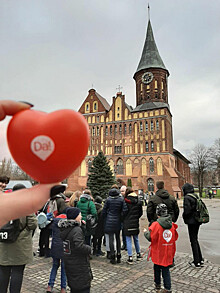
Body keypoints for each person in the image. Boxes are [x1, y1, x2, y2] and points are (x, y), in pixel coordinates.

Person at [0, 183, 37, 293]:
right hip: (20, 244)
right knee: (17, 271)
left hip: (4, 242)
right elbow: (33, 224)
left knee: (3, 270)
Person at [144, 203, 178, 293]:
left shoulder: (156, 225)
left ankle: (157, 284)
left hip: (158, 251)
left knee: (157, 268)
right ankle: (167, 288)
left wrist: (145, 232)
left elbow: (151, 237)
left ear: (157, 213)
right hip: (168, 251)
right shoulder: (172, 224)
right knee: (166, 270)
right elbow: (175, 237)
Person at [58, 207, 92, 293]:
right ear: (76, 216)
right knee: (83, 288)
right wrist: (89, 249)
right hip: (79, 265)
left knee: (74, 287)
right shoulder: (76, 230)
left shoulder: (67, 228)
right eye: (80, 214)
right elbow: (79, 245)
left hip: (70, 263)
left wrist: (82, 226)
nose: (81, 216)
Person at [102, 186, 127, 264]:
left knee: (111, 239)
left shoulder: (108, 200)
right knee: (118, 238)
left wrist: (105, 218)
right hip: (118, 221)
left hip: (109, 220)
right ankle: (119, 254)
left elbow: (104, 210)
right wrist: (121, 217)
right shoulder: (121, 199)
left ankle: (112, 256)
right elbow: (125, 210)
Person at [182, 183, 204, 268]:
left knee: (193, 240)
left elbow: (187, 211)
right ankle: (200, 258)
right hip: (197, 220)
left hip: (191, 221)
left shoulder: (187, 198)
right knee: (195, 239)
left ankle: (196, 261)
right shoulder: (195, 196)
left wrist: (184, 217)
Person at [46, 213, 67, 293]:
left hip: (55, 247)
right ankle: (63, 288)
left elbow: (47, 227)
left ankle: (49, 286)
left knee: (54, 266)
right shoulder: (68, 224)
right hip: (64, 248)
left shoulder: (54, 223)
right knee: (64, 269)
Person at [123, 187, 143, 264]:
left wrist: (123, 219)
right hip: (135, 222)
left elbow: (124, 212)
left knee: (128, 240)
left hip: (127, 222)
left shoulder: (126, 201)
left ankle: (130, 257)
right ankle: (138, 254)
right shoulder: (138, 201)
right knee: (136, 238)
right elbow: (140, 213)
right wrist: (136, 218)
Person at [120, 185, 127, 250]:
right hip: (122, 219)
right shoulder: (120, 198)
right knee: (123, 232)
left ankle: (127, 245)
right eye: (121, 191)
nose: (122, 192)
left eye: (123, 191)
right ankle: (124, 244)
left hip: (127, 219)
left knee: (126, 232)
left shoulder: (127, 199)